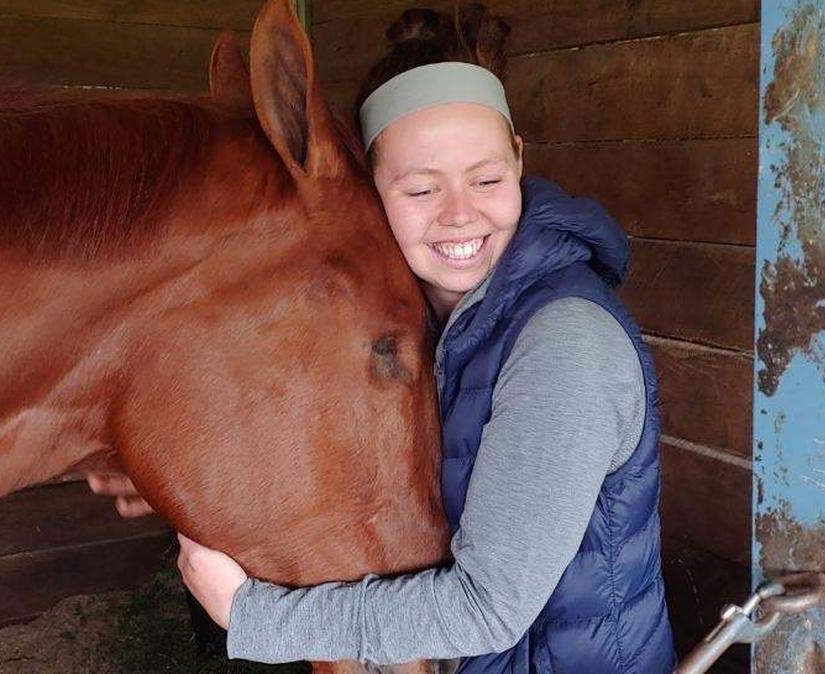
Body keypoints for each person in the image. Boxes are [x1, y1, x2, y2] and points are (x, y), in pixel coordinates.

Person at [89, 5, 675, 672]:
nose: (460, 214)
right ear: (371, 190)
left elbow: (489, 610)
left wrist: (254, 618)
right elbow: (315, 441)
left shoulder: (564, 346)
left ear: (519, 159)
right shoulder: (416, 317)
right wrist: (179, 474)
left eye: (486, 180)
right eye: (421, 189)